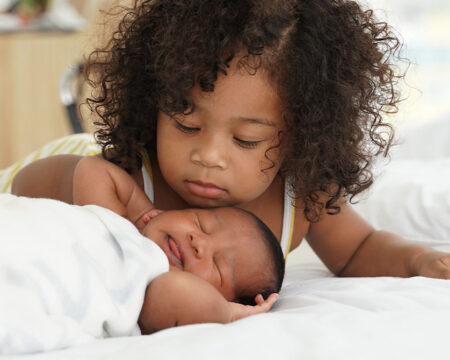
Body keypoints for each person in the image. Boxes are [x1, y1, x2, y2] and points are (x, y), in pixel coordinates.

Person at [9, 0, 450, 279]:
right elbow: (26, 185)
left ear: (301, 138)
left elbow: (358, 250)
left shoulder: (301, 199)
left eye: (246, 139)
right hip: (70, 157)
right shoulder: (123, 176)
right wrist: (133, 218)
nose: (209, 156)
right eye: (186, 124)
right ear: (154, 104)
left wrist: (418, 260)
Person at [0, 190, 283, 354]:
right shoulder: (117, 221)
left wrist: (228, 314)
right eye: (201, 222)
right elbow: (89, 168)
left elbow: (179, 294)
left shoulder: (152, 284)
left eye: (219, 265)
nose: (199, 243)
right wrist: (143, 211)